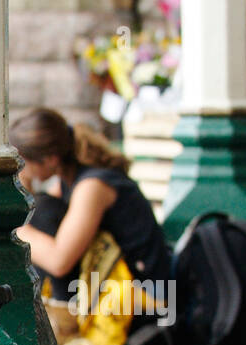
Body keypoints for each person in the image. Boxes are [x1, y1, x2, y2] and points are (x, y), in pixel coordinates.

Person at [12, 108, 171, 306]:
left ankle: (60, 319)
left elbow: (59, 261)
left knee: (41, 218)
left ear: (51, 160)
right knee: (43, 211)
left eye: (22, 161)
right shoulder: (68, 178)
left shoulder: (93, 186)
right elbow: (34, 208)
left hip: (148, 297)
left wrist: (14, 229)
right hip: (118, 287)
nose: (20, 168)